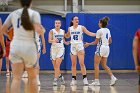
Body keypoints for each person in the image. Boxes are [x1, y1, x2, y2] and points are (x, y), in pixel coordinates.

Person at [0, 0, 44, 93]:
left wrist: (9, 35)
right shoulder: (34, 14)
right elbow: (39, 30)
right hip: (29, 47)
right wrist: (42, 30)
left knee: (16, 79)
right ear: (31, 2)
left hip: (16, 46)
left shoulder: (13, 13)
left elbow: (3, 29)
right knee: (32, 78)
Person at [84, 16, 117, 86]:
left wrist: (88, 44)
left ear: (101, 23)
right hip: (107, 48)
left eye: (99, 22)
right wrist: (105, 43)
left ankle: (96, 81)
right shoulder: (108, 30)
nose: (98, 23)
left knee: (96, 64)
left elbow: (96, 42)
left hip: (101, 48)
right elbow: (110, 41)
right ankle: (112, 77)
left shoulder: (99, 31)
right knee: (104, 65)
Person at [65, 16, 96, 86]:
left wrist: (97, 34)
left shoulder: (81, 27)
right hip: (73, 46)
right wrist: (62, 34)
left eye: (78, 19)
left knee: (81, 63)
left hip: (80, 46)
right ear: (72, 21)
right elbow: (67, 36)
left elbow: (89, 33)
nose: (77, 20)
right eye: (75, 19)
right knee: (73, 64)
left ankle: (85, 79)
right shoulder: (70, 28)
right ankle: (73, 79)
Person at [49, 20, 69, 86]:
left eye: (58, 23)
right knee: (55, 67)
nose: (57, 24)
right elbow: (49, 40)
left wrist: (67, 42)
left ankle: (55, 79)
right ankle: (60, 76)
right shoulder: (51, 31)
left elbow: (64, 40)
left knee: (57, 65)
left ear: (60, 24)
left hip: (60, 49)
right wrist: (53, 40)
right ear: (54, 24)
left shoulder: (62, 31)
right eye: (56, 23)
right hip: (53, 49)